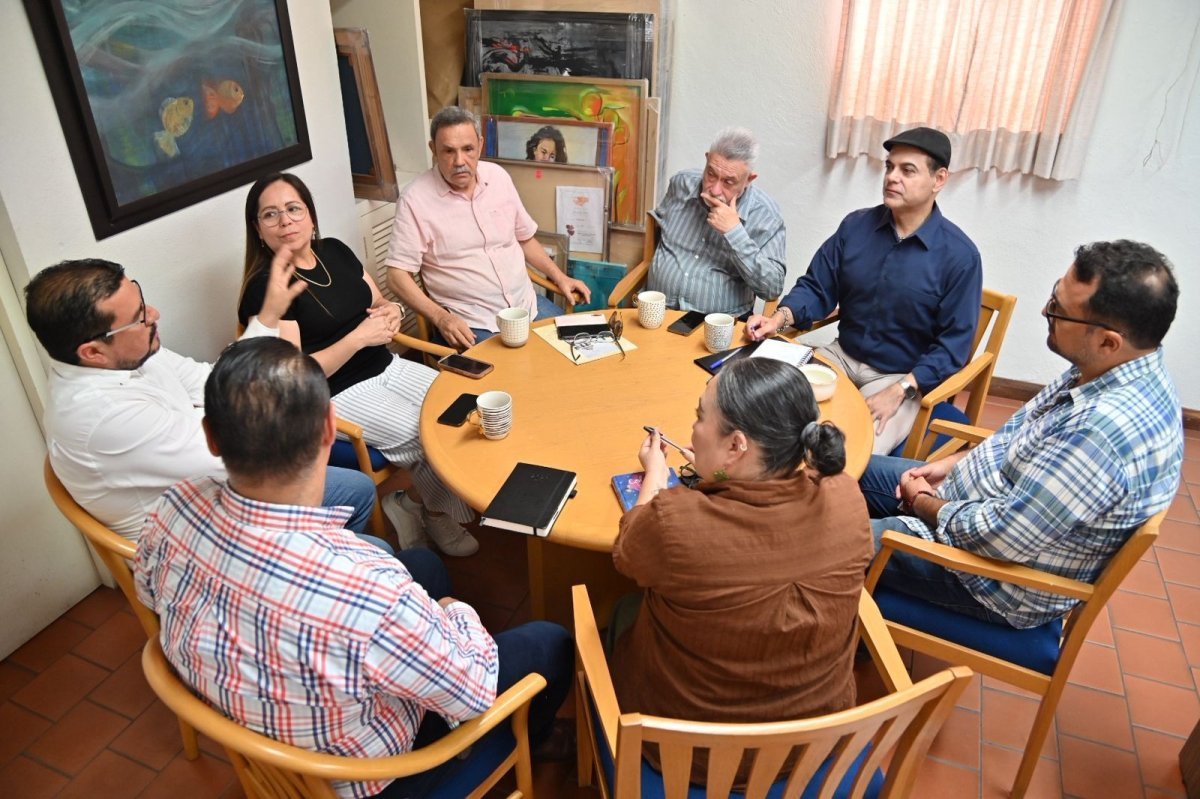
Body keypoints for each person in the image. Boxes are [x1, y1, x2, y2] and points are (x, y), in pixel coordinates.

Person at [134, 338, 573, 799]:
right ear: (330, 428)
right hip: (380, 778)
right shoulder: (368, 588)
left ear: (210, 435)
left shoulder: (174, 507)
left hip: (265, 738)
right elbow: (473, 688)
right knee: (550, 642)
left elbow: (150, 596)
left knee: (421, 563)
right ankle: (532, 736)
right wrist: (453, 610)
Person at [860, 241, 1182, 629]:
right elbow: (1019, 436)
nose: (1046, 311)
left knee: (827, 540)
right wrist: (953, 463)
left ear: (1108, 341)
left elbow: (999, 539)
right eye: (1054, 295)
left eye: (1059, 310)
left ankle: (831, 623)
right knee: (848, 467)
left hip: (988, 577)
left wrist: (923, 501)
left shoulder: (1101, 434)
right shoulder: (1111, 367)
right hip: (975, 505)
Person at [609, 357, 872, 784]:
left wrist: (655, 475)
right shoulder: (846, 496)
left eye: (700, 417)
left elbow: (627, 551)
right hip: (816, 745)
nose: (693, 427)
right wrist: (715, 472)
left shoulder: (677, 524)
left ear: (736, 446)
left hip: (693, 759)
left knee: (617, 613)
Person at [24, 254, 376, 542]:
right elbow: (237, 457)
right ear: (93, 352)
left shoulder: (130, 353)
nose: (154, 314)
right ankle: (309, 577)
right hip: (193, 535)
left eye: (142, 301)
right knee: (367, 525)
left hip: (211, 487)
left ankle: (324, 561)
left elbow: (214, 380)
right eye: (138, 317)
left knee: (357, 488)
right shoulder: (103, 417)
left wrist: (268, 315)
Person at [237, 172, 479, 557]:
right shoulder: (268, 289)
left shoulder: (334, 251)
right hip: (333, 393)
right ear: (258, 229)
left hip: (387, 364)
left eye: (293, 209)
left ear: (310, 216)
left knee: (464, 407)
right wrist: (358, 339)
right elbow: (297, 376)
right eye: (270, 214)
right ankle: (436, 513)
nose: (285, 221)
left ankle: (409, 502)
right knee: (426, 435)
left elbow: (379, 302)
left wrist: (392, 312)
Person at [746, 127, 983, 455]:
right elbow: (817, 286)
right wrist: (779, 318)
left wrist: (901, 389)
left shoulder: (960, 256)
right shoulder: (856, 227)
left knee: (849, 452)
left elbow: (953, 346)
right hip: (840, 357)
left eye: (907, 170)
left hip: (899, 376)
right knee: (761, 411)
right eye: (889, 167)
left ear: (939, 179)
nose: (892, 177)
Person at [384, 106, 591, 350]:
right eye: (448, 151)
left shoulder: (498, 177)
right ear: (433, 150)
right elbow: (396, 276)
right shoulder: (415, 200)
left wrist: (560, 277)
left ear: (480, 145)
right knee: (520, 371)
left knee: (582, 347)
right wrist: (440, 318)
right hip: (473, 322)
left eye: (468, 149)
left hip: (526, 306)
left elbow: (524, 238)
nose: (459, 161)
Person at [643, 126, 786, 318]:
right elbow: (656, 235)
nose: (715, 190)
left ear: (748, 179)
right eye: (711, 174)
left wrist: (735, 232)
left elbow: (772, 288)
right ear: (707, 159)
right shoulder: (681, 184)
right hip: (657, 312)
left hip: (720, 322)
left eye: (728, 182)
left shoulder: (766, 215)